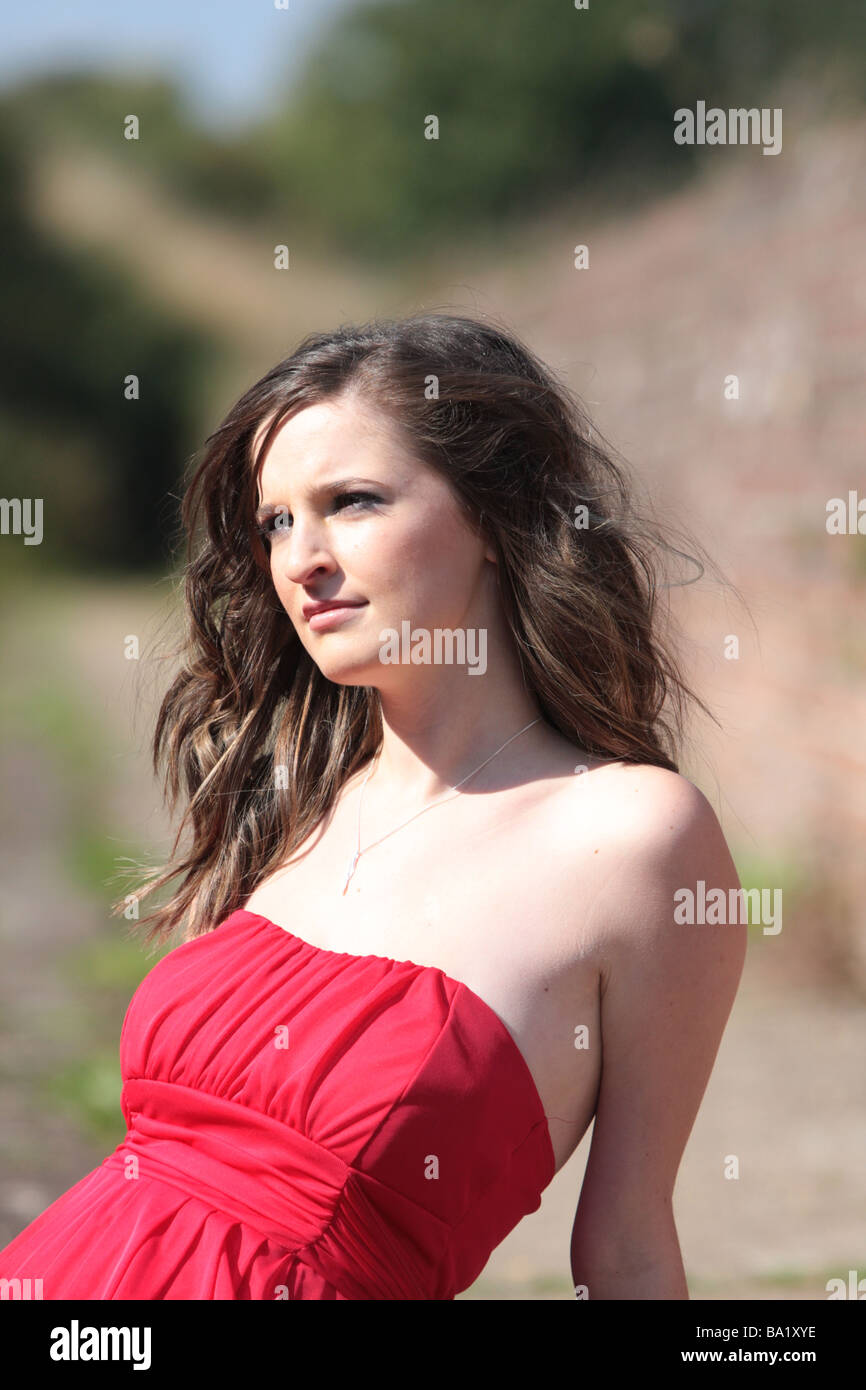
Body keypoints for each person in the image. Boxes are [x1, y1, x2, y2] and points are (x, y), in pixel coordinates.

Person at [0, 311, 746, 1299]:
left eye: (351, 501)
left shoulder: (633, 836)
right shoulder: (298, 800)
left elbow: (623, 1248)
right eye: (276, 521)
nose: (301, 558)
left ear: (494, 516)